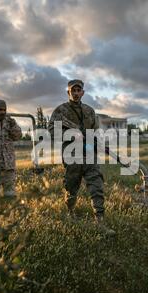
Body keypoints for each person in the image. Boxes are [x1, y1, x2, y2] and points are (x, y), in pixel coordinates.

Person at [48, 79, 115, 236]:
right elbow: (52, 131)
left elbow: (96, 130)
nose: (76, 93)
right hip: (72, 155)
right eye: (73, 91)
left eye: (79, 90)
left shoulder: (89, 110)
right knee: (71, 187)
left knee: (96, 185)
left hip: (90, 154)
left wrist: (97, 141)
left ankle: (100, 221)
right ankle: (70, 212)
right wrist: (73, 135)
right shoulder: (60, 111)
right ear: (68, 92)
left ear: (83, 92)